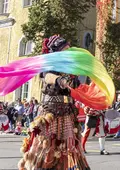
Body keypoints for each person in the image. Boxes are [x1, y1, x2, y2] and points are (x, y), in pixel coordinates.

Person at [18, 35, 90, 170]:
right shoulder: (49, 64)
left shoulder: (70, 69)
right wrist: (59, 80)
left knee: (69, 145)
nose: (68, 53)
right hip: (51, 112)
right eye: (65, 50)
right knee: (46, 145)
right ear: (57, 52)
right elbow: (48, 77)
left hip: (67, 112)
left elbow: (77, 87)